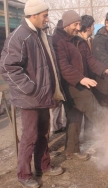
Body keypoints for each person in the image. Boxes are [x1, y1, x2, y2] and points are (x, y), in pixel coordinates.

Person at [0, 0, 65, 187]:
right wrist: (31, 87)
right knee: (29, 137)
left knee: (44, 134)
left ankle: (43, 166)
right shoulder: (20, 36)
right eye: (45, 15)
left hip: (43, 96)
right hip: (30, 98)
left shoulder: (39, 34)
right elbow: (8, 67)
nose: (47, 19)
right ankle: (23, 174)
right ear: (34, 15)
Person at [52, 10, 108, 160]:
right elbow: (62, 66)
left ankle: (71, 150)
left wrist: (104, 70)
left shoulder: (79, 41)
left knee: (74, 116)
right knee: (93, 106)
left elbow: (90, 60)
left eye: (79, 24)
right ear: (67, 24)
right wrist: (81, 79)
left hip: (79, 81)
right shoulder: (58, 41)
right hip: (69, 84)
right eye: (76, 24)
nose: (78, 27)